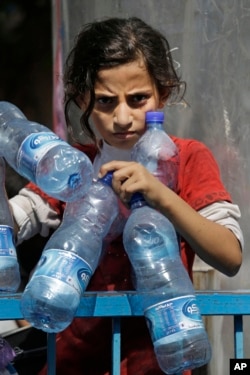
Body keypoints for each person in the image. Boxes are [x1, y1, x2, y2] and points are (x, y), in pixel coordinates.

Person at [9, 17, 243, 375]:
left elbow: (229, 256)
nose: (122, 117)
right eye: (104, 102)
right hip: (73, 364)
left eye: (138, 99)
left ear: (163, 92)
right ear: (82, 99)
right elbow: (15, 220)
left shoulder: (188, 158)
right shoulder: (73, 166)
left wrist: (160, 194)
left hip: (160, 361)